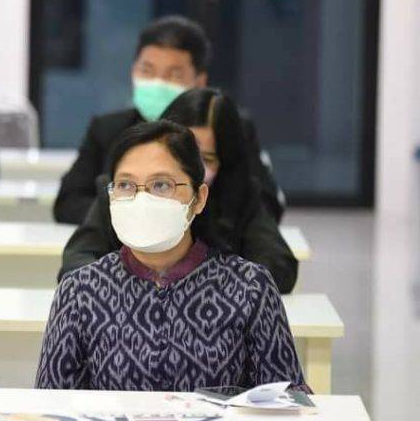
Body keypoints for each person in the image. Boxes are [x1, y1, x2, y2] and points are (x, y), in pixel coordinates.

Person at [36, 121, 307, 392]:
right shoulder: (79, 291)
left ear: (199, 198)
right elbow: (52, 403)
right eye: (125, 185)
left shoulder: (250, 287)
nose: (142, 200)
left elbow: (289, 399)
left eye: (161, 185)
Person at [60, 88, 298, 293]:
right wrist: (134, 288)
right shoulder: (124, 193)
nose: (192, 165)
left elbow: (278, 265)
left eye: (205, 158)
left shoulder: (239, 194)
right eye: (179, 152)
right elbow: (77, 262)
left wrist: (202, 290)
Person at [52, 15, 283, 225]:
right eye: (147, 71)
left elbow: (267, 206)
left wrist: (186, 220)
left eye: (174, 74)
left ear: (200, 81)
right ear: (133, 71)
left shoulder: (228, 128)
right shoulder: (107, 129)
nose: (158, 82)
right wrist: (133, 216)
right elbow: (68, 202)